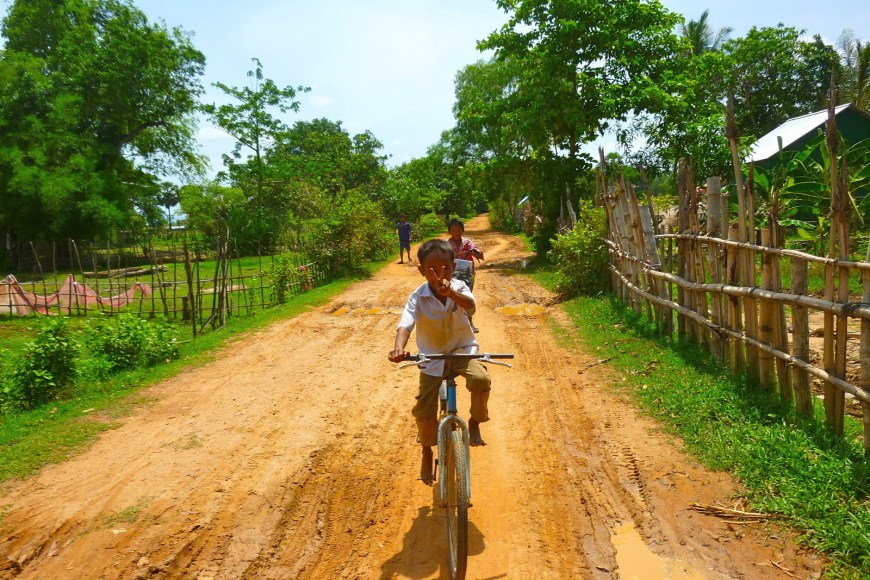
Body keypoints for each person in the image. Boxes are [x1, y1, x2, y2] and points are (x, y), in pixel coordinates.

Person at [388, 239, 492, 485]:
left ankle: (475, 422)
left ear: (453, 267)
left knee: (481, 379)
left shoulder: (459, 287)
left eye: (445, 268)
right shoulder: (418, 297)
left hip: (462, 351)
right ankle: (426, 451)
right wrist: (398, 348)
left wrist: (451, 294)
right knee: (424, 411)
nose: (439, 274)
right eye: (432, 270)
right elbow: (405, 324)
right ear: (422, 271)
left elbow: (471, 308)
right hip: (432, 357)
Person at [447, 218, 484, 332]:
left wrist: (477, 252)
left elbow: (478, 253)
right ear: (450, 231)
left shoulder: (468, 243)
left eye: (458, 230)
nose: (456, 233)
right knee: (453, 297)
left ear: (462, 231)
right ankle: (453, 324)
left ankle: (469, 323)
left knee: (466, 297)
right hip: (452, 275)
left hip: (468, 274)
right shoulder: (446, 244)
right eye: (453, 230)